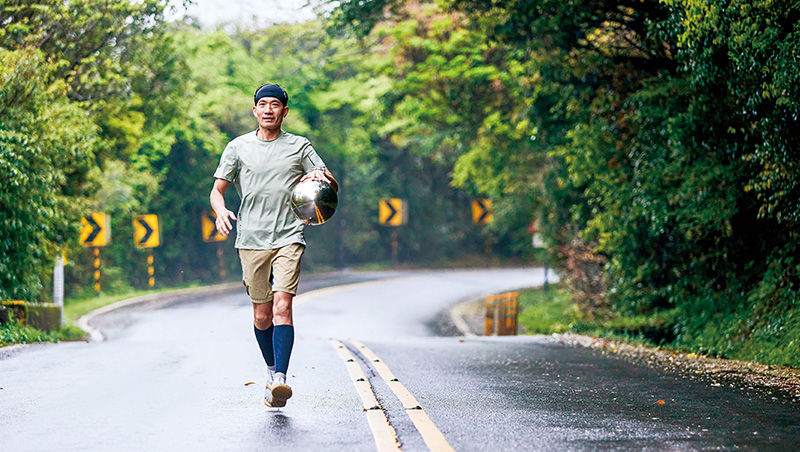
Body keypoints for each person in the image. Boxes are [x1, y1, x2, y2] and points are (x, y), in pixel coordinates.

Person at [210, 83, 338, 408]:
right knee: (262, 315)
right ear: (255, 110)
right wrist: (220, 210)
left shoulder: (299, 146)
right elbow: (218, 190)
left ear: (285, 111)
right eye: (263, 104)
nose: (269, 110)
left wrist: (319, 180)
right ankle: (270, 370)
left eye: (275, 105)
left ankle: (281, 379)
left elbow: (329, 180)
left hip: (289, 236)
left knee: (283, 306)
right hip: (251, 238)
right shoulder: (237, 147)